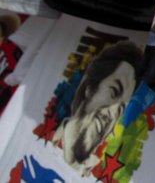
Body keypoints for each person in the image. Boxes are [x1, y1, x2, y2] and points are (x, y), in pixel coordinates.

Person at [53, 40, 142, 172]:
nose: (113, 113)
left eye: (121, 108)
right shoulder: (46, 135)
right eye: (114, 92)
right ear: (89, 88)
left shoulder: (99, 171)